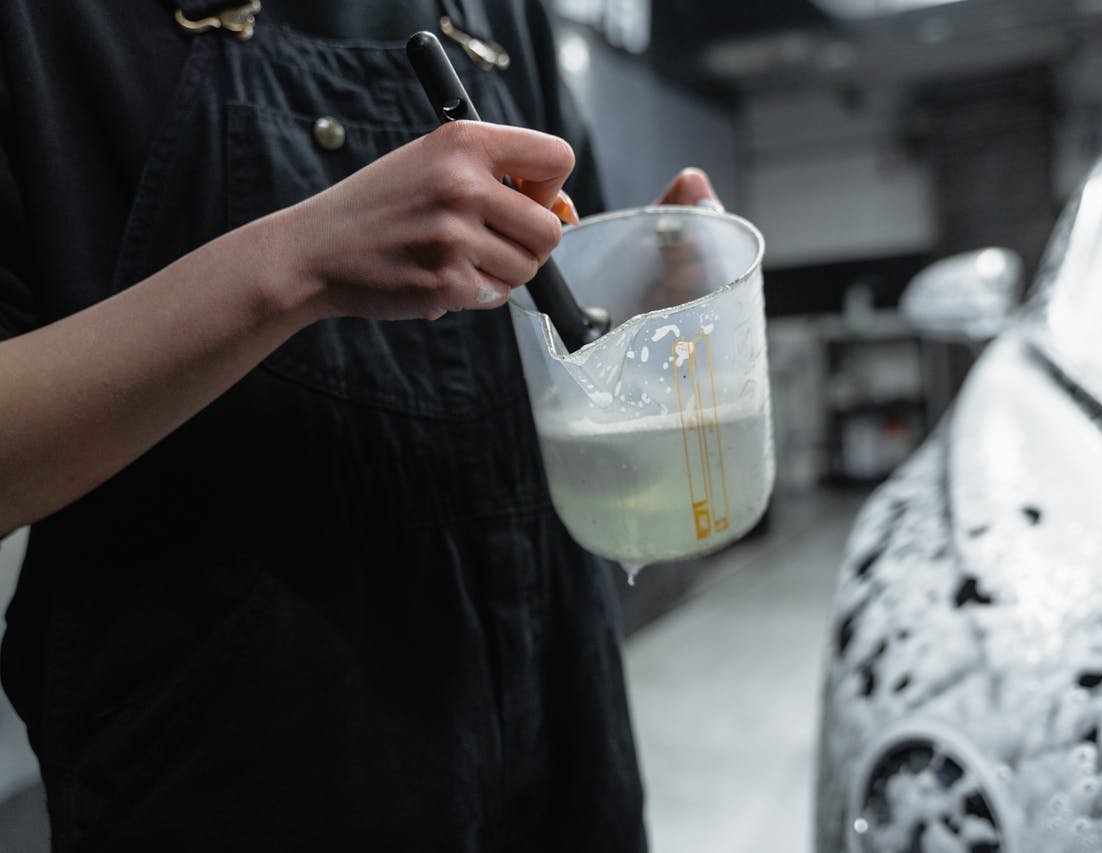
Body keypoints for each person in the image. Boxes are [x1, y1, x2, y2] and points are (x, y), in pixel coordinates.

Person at [0, 0, 722, 848]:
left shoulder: (500, 16)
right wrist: (293, 266)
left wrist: (641, 314)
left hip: (563, 752)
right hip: (240, 787)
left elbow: (565, 324)